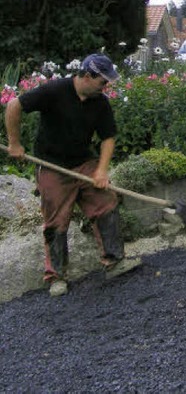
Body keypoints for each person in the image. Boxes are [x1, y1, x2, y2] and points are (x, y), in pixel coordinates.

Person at [4, 53, 140, 296]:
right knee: (56, 221)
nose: (105, 86)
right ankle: (56, 277)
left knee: (105, 203)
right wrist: (15, 144)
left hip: (83, 162)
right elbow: (15, 105)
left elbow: (108, 137)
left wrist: (101, 170)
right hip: (53, 165)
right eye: (103, 81)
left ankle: (114, 262)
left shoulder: (100, 102)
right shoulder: (55, 91)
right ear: (87, 76)